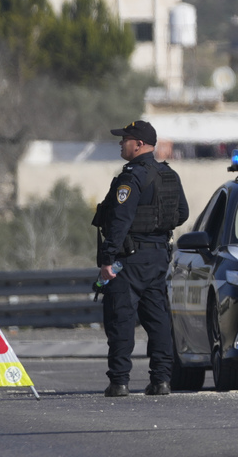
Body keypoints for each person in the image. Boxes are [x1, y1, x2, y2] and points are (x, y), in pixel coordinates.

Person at [94, 120, 188, 397]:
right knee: (157, 319)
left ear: (139, 144)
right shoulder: (168, 174)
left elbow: (119, 219)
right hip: (158, 257)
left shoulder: (132, 176)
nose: (120, 143)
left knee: (121, 318)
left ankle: (120, 381)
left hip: (129, 259)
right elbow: (181, 214)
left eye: (125, 139)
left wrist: (108, 259)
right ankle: (161, 380)